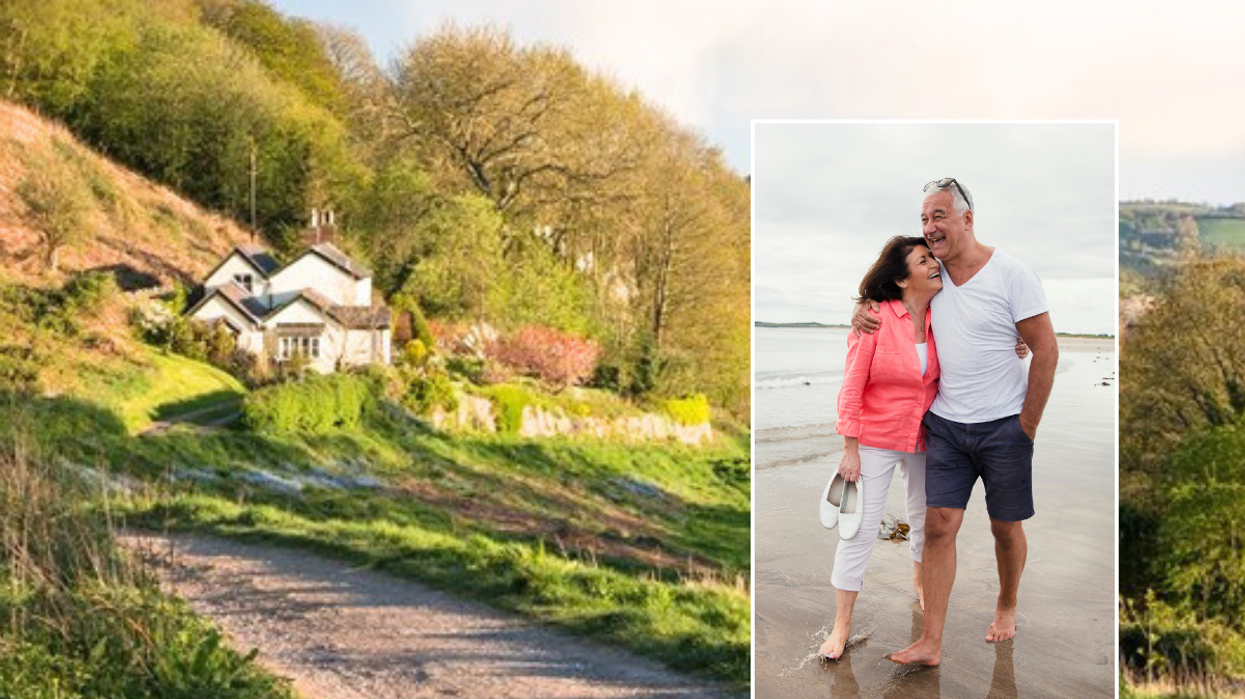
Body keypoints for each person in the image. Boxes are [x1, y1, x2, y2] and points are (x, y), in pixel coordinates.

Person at [851, 179, 1058, 667]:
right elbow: (887, 293)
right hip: (944, 424)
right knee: (939, 526)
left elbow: (1045, 349)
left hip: (1005, 426)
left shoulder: (1013, 274)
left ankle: (1006, 604)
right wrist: (861, 309)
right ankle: (931, 643)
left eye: (939, 216)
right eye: (925, 219)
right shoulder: (932, 275)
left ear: (967, 218)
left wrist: (1026, 427)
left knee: (1005, 528)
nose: (930, 228)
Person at [821, 234, 1028, 661]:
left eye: (933, 257)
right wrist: (850, 447)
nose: (935, 263)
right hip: (876, 440)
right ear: (900, 278)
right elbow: (851, 386)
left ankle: (921, 589)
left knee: (926, 526)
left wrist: (1016, 341)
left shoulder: (941, 312)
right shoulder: (876, 318)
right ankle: (840, 626)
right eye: (923, 259)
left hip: (925, 437)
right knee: (859, 531)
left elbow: (983, 332)